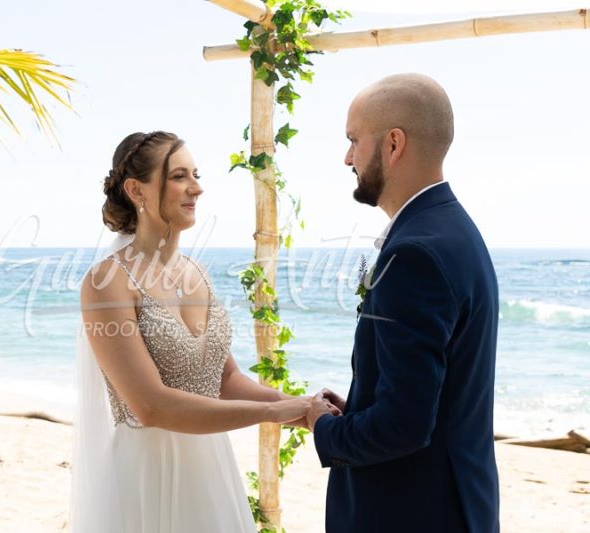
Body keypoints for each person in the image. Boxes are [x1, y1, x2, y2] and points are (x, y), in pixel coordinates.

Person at [72, 131, 335, 532]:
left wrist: (299, 409)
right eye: (179, 176)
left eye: (195, 174)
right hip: (148, 477)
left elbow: (225, 379)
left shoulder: (196, 275)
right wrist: (270, 412)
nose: (197, 187)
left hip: (211, 467)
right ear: (136, 190)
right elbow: (149, 405)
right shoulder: (108, 282)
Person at [307, 74, 500, 532]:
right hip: (458, 503)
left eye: (354, 140)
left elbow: (405, 425)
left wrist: (325, 428)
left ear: (393, 144)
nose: (348, 157)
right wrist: (356, 404)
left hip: (412, 512)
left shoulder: (414, 253)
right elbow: (437, 389)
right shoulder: (452, 230)